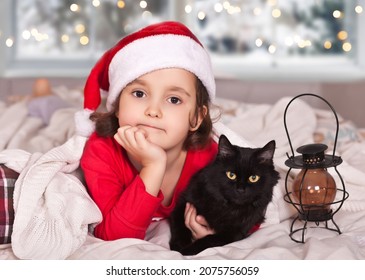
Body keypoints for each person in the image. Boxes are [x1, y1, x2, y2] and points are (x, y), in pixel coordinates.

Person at [78, 21, 218, 242]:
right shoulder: (101, 150)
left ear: (196, 118)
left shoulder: (207, 155)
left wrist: (216, 232)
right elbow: (114, 236)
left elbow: (250, 212)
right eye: (139, 94)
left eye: (174, 99)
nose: (153, 111)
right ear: (117, 105)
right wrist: (153, 166)